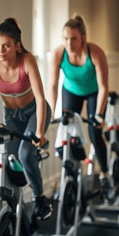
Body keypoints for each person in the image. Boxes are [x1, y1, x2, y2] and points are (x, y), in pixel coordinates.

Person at [0, 18, 53, 220]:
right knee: (10, 161)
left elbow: (40, 98)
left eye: (6, 45)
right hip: (12, 116)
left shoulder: (27, 60)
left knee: (26, 154)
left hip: (35, 112)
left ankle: (40, 199)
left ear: (17, 46)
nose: (0, 50)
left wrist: (39, 131)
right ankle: (15, 209)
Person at [48, 14, 115, 200]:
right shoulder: (59, 54)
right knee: (68, 130)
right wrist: (51, 112)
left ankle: (105, 175)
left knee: (94, 132)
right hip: (71, 91)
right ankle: (73, 173)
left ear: (83, 38)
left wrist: (99, 116)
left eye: (74, 38)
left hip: (94, 92)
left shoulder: (95, 52)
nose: (69, 43)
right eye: (66, 38)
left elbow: (103, 87)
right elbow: (53, 86)